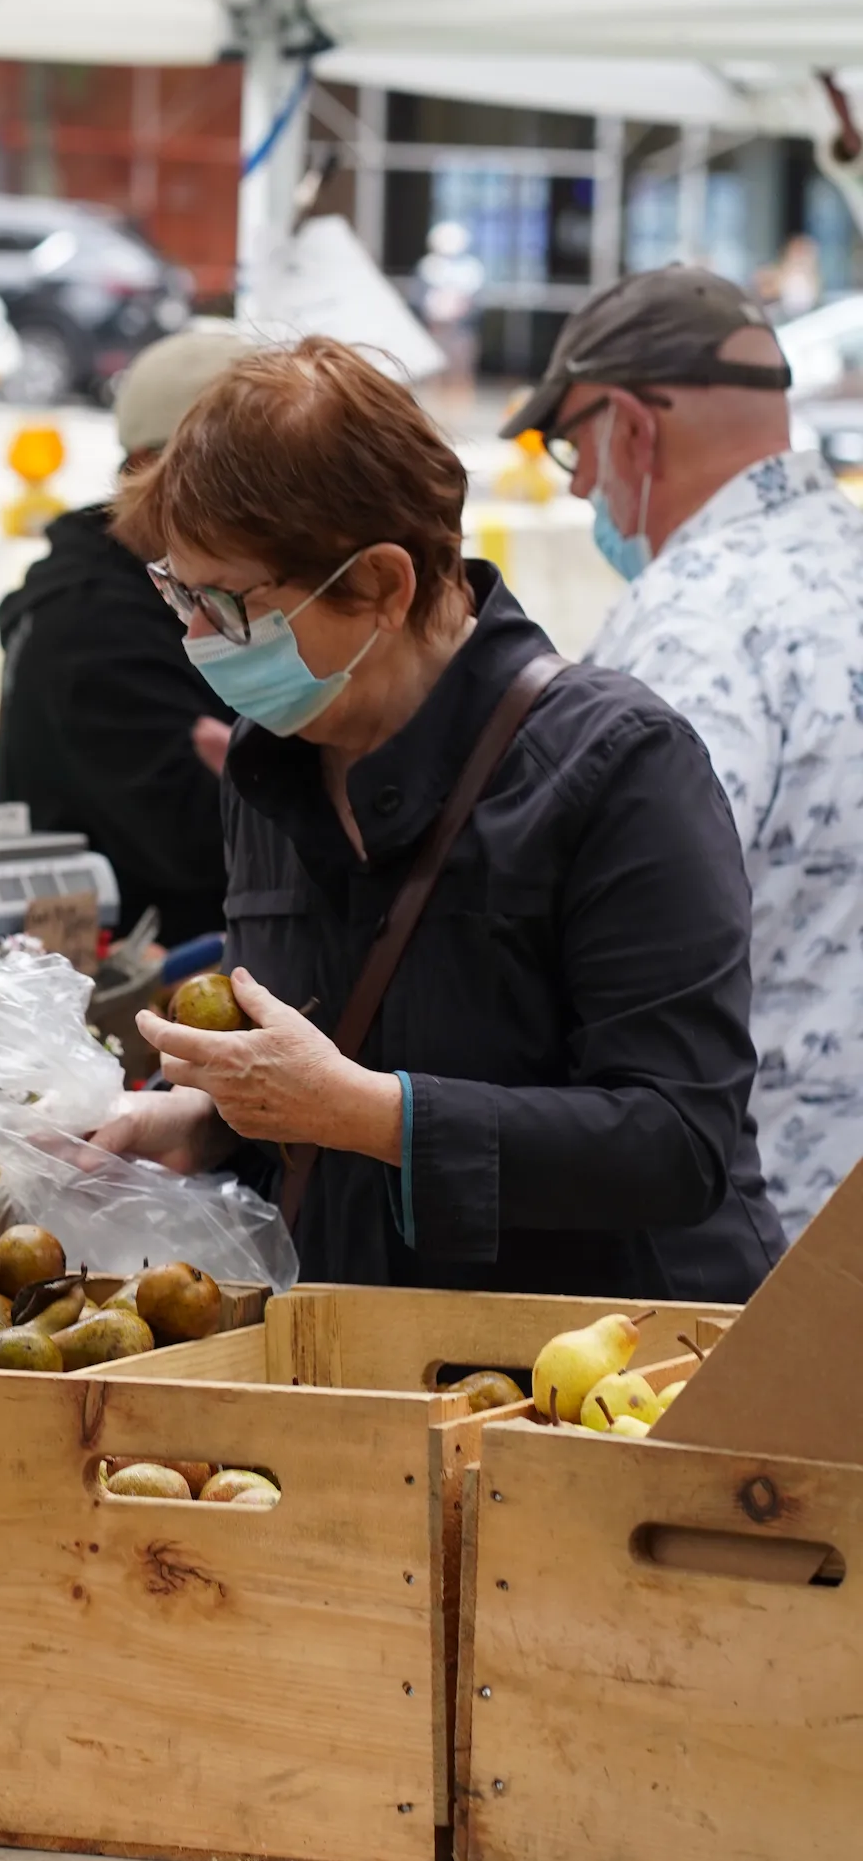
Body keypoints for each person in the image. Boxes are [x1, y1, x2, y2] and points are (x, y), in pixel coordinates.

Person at [92, 336, 782, 1300]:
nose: (199, 640)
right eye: (179, 594)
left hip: (597, 1384)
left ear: (382, 582)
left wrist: (373, 1114)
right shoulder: (270, 772)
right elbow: (318, 1065)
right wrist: (199, 1120)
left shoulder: (618, 766)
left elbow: (677, 1139)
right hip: (369, 1367)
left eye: (232, 606)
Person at [504, 263, 863, 1241]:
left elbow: (624, 929)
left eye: (566, 441)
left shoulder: (690, 625)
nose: (576, 479)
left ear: (629, 426)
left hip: (775, 1228)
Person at [0, 330, 245, 946]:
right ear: (145, 468)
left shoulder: (128, 589)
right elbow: (197, 848)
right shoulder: (93, 627)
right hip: (141, 989)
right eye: (237, 477)